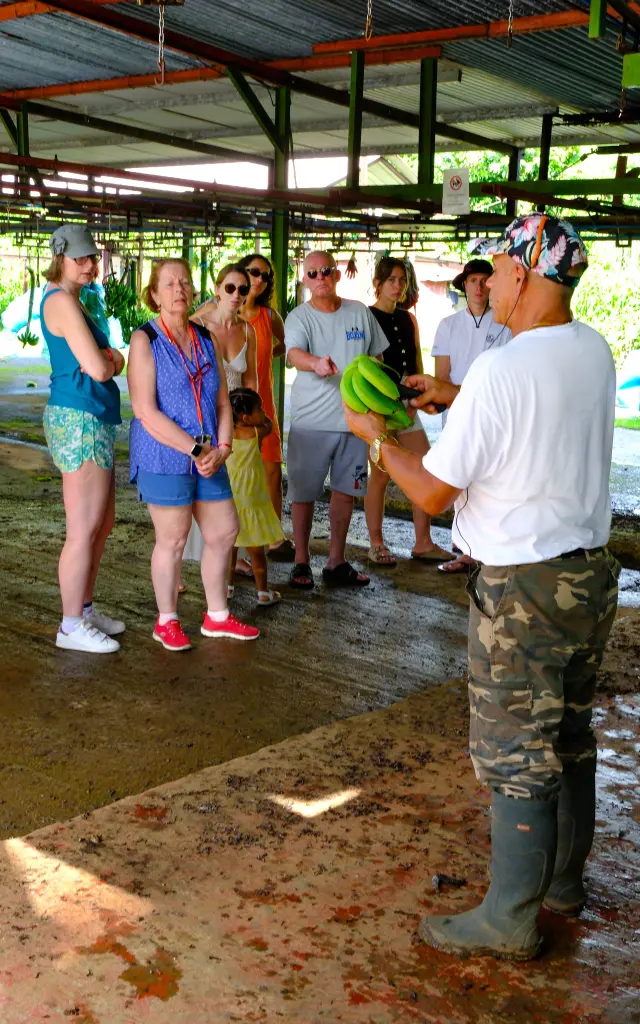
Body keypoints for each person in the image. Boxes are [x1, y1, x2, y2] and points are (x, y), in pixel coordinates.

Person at [343, 214, 620, 961]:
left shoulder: (504, 368)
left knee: (516, 753)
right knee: (568, 736)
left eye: (496, 268)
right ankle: (562, 884)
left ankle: (508, 919)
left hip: (523, 589)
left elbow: (432, 494)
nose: (488, 280)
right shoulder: (592, 350)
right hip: (586, 579)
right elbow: (528, 397)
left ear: (525, 274)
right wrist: (450, 392)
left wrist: (373, 434)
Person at [127, 257, 259, 650]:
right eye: (168, 284)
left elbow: (222, 402)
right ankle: (166, 620)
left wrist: (222, 447)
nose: (179, 290)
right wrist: (195, 448)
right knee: (173, 538)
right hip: (164, 454)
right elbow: (144, 410)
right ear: (154, 294)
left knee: (223, 531)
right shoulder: (145, 340)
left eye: (184, 282)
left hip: (208, 451)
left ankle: (217, 616)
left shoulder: (206, 339)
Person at [41, 224, 125, 654]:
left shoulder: (75, 301)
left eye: (93, 257)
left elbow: (109, 361)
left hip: (92, 416)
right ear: (61, 259)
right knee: (83, 527)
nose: (91, 265)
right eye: (83, 258)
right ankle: (70, 624)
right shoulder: (61, 302)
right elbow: (99, 367)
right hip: (79, 418)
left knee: (102, 523)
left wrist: (112, 360)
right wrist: (113, 360)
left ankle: (85, 609)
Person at [285, 250, 388, 589]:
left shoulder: (359, 312)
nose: (320, 278)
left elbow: (377, 357)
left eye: (326, 270)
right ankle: (301, 561)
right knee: (303, 494)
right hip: (311, 422)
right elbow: (293, 354)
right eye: (312, 273)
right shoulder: (299, 317)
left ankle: (336, 561)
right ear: (305, 280)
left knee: (346, 492)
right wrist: (315, 363)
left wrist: (377, 405)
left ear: (337, 274)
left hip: (354, 423)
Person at [366, 256, 453, 567]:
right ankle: (376, 543)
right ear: (378, 284)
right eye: (392, 280)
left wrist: (418, 398)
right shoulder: (366, 317)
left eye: (402, 280)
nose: (398, 285)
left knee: (426, 466)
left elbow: (416, 360)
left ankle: (423, 542)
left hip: (408, 399)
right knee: (379, 474)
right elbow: (368, 366)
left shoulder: (409, 319)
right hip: (379, 401)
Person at [432, 258, 511, 574]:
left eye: (484, 280)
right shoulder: (448, 325)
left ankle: (491, 549)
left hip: (495, 414)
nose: (479, 287)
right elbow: (442, 376)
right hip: (458, 414)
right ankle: (465, 550)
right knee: (461, 483)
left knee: (494, 480)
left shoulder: (507, 323)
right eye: (472, 280)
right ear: (463, 285)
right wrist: (456, 401)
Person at [182, 263, 258, 576]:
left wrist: (252, 421)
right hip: (198, 419)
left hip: (233, 420)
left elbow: (250, 382)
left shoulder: (247, 329)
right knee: (187, 494)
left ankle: (229, 558)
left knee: (233, 491)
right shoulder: (196, 325)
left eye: (243, 289)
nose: (237, 294)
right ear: (217, 288)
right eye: (230, 287)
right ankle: (174, 568)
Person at [238, 252, 294, 562]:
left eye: (265, 276)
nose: (260, 279)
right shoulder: (223, 313)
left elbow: (284, 344)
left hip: (265, 404)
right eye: (254, 272)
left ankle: (274, 536)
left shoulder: (269, 317)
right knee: (240, 476)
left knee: (272, 470)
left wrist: (264, 356)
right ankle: (241, 547)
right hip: (235, 409)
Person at [226, 388, 285, 606]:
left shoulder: (227, 433)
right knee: (256, 552)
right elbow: (269, 424)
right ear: (245, 417)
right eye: (258, 409)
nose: (262, 412)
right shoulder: (257, 433)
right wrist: (263, 418)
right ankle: (262, 593)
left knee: (229, 550)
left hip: (231, 499)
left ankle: (228, 587)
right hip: (252, 499)